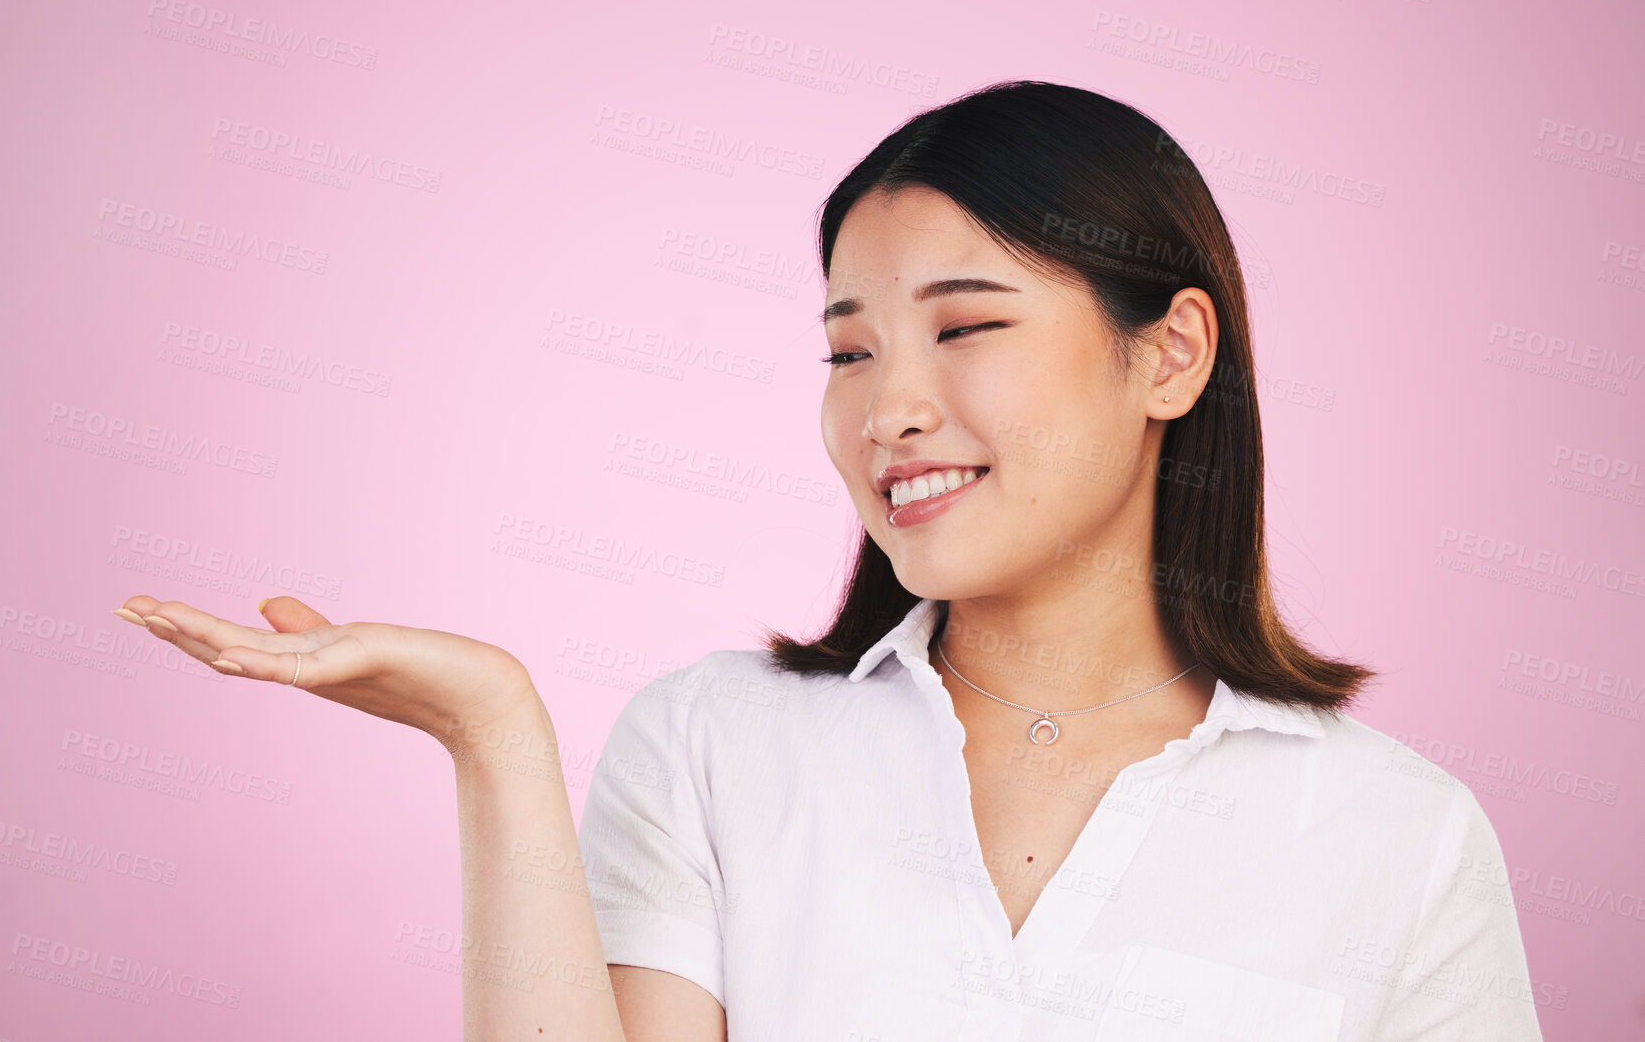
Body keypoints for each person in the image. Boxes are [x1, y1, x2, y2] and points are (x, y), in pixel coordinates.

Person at [113, 80, 1543, 1040]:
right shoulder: (717, 742)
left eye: (964, 326)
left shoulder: (1401, 839)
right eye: (849, 349)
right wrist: (491, 731)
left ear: (1169, 353)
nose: (888, 406)